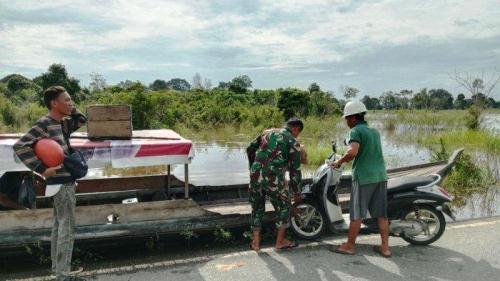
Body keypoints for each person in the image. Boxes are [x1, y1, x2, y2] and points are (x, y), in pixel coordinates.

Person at [13, 86, 87, 280]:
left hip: (64, 181)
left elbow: (81, 119)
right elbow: (20, 146)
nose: (71, 103)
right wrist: (41, 169)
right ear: (54, 103)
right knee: (67, 227)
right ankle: (63, 274)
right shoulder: (44, 124)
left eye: (71, 100)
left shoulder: (62, 123)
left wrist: (71, 106)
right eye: (67, 99)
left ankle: (58, 270)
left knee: (59, 225)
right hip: (61, 182)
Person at [331, 101, 391, 258]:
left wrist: (338, 162)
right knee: (381, 215)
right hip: (380, 176)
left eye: (346, 118)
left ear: (352, 118)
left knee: (357, 214)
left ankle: (350, 246)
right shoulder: (374, 132)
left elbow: (352, 152)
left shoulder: (355, 131)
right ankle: (385, 248)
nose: (346, 122)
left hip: (364, 177)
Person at [247, 118, 303, 251]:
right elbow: (295, 171)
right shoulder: (292, 141)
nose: (297, 135)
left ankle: (255, 242)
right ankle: (280, 241)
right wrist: (296, 192)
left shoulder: (266, 133)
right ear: (295, 129)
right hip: (272, 178)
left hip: (255, 175)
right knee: (284, 206)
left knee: (257, 208)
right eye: (298, 132)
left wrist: (253, 168)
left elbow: (250, 148)